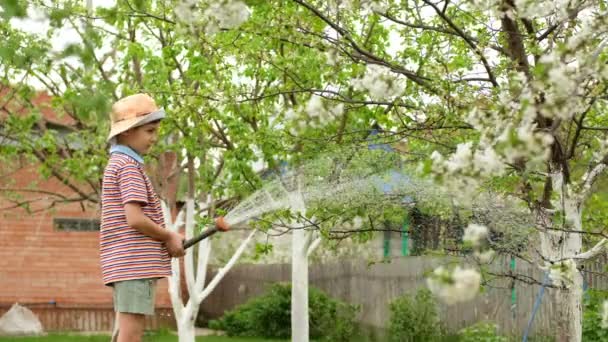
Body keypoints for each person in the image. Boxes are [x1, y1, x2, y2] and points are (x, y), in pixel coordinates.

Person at [100, 93, 184, 342]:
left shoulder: (119, 162)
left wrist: (167, 239)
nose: (154, 138)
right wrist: (168, 235)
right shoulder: (128, 167)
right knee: (131, 335)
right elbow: (135, 219)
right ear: (127, 131)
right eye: (149, 131)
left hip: (127, 263)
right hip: (133, 264)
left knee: (123, 332)